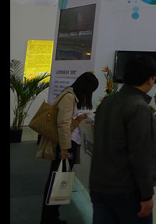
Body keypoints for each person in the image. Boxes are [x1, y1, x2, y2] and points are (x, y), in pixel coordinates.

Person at [91, 55, 156, 224]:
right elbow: (140, 155)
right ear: (150, 80)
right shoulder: (139, 107)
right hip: (126, 190)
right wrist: (146, 194)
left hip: (100, 185)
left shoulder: (107, 103)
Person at [37, 72, 99, 224]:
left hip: (67, 145)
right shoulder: (69, 97)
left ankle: (52, 216)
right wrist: (64, 148)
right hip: (66, 146)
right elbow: (63, 124)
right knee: (57, 181)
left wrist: (78, 118)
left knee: (58, 181)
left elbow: (66, 121)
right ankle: (48, 218)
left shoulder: (70, 96)